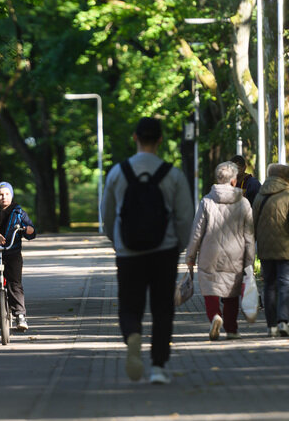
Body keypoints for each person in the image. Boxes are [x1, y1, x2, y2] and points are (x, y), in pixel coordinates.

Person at [102, 117, 194, 385]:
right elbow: (185, 217)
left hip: (128, 253)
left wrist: (116, 240)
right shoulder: (173, 174)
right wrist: (179, 245)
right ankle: (158, 367)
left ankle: (132, 335)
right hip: (163, 252)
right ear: (161, 140)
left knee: (130, 306)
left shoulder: (118, 173)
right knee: (163, 308)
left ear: (135, 137)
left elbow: (107, 215)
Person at [185, 161, 255, 341]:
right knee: (231, 292)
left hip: (210, 254)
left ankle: (215, 316)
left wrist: (190, 256)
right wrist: (250, 260)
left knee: (210, 289)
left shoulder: (207, 201)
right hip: (235, 254)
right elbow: (249, 235)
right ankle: (231, 329)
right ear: (233, 180)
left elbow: (197, 231)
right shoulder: (244, 203)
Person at [252, 163, 289, 338]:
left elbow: (252, 222)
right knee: (285, 284)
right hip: (287, 247)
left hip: (266, 249)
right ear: (285, 177)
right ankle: (283, 321)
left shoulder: (260, 196)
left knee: (269, 285)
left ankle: (271, 326)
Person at [0, 181, 36, 332]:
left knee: (15, 283)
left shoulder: (19, 212)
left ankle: (20, 316)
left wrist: (29, 230)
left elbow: (30, 231)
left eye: (7, 194)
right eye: (0, 194)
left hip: (12, 251)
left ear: (11, 195)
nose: (4, 197)